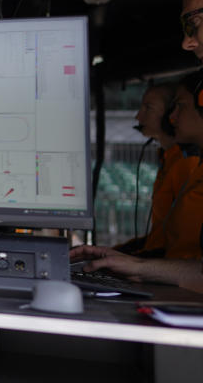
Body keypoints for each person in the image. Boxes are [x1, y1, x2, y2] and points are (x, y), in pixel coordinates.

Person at [71, 71, 203, 291]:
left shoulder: (186, 165)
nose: (173, 117)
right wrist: (126, 257)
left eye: (180, 106)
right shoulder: (182, 163)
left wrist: (138, 263)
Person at [115, 83, 198, 256]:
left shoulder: (188, 163)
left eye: (148, 108)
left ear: (169, 113)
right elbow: (160, 235)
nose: (138, 116)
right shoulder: (168, 158)